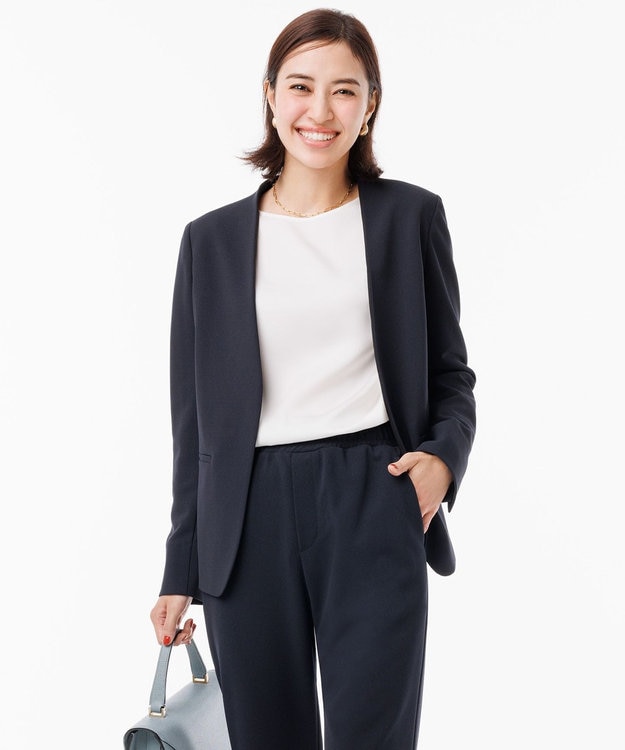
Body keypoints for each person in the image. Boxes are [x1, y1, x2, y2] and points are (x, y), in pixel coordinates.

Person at [149, 7, 476, 749]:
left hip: (373, 492)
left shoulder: (410, 217)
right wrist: (179, 567)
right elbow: (193, 423)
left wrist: (441, 461)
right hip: (246, 514)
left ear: (370, 105)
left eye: (343, 90)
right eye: (300, 86)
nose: (319, 111)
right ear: (270, 96)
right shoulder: (210, 242)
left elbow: (451, 372)